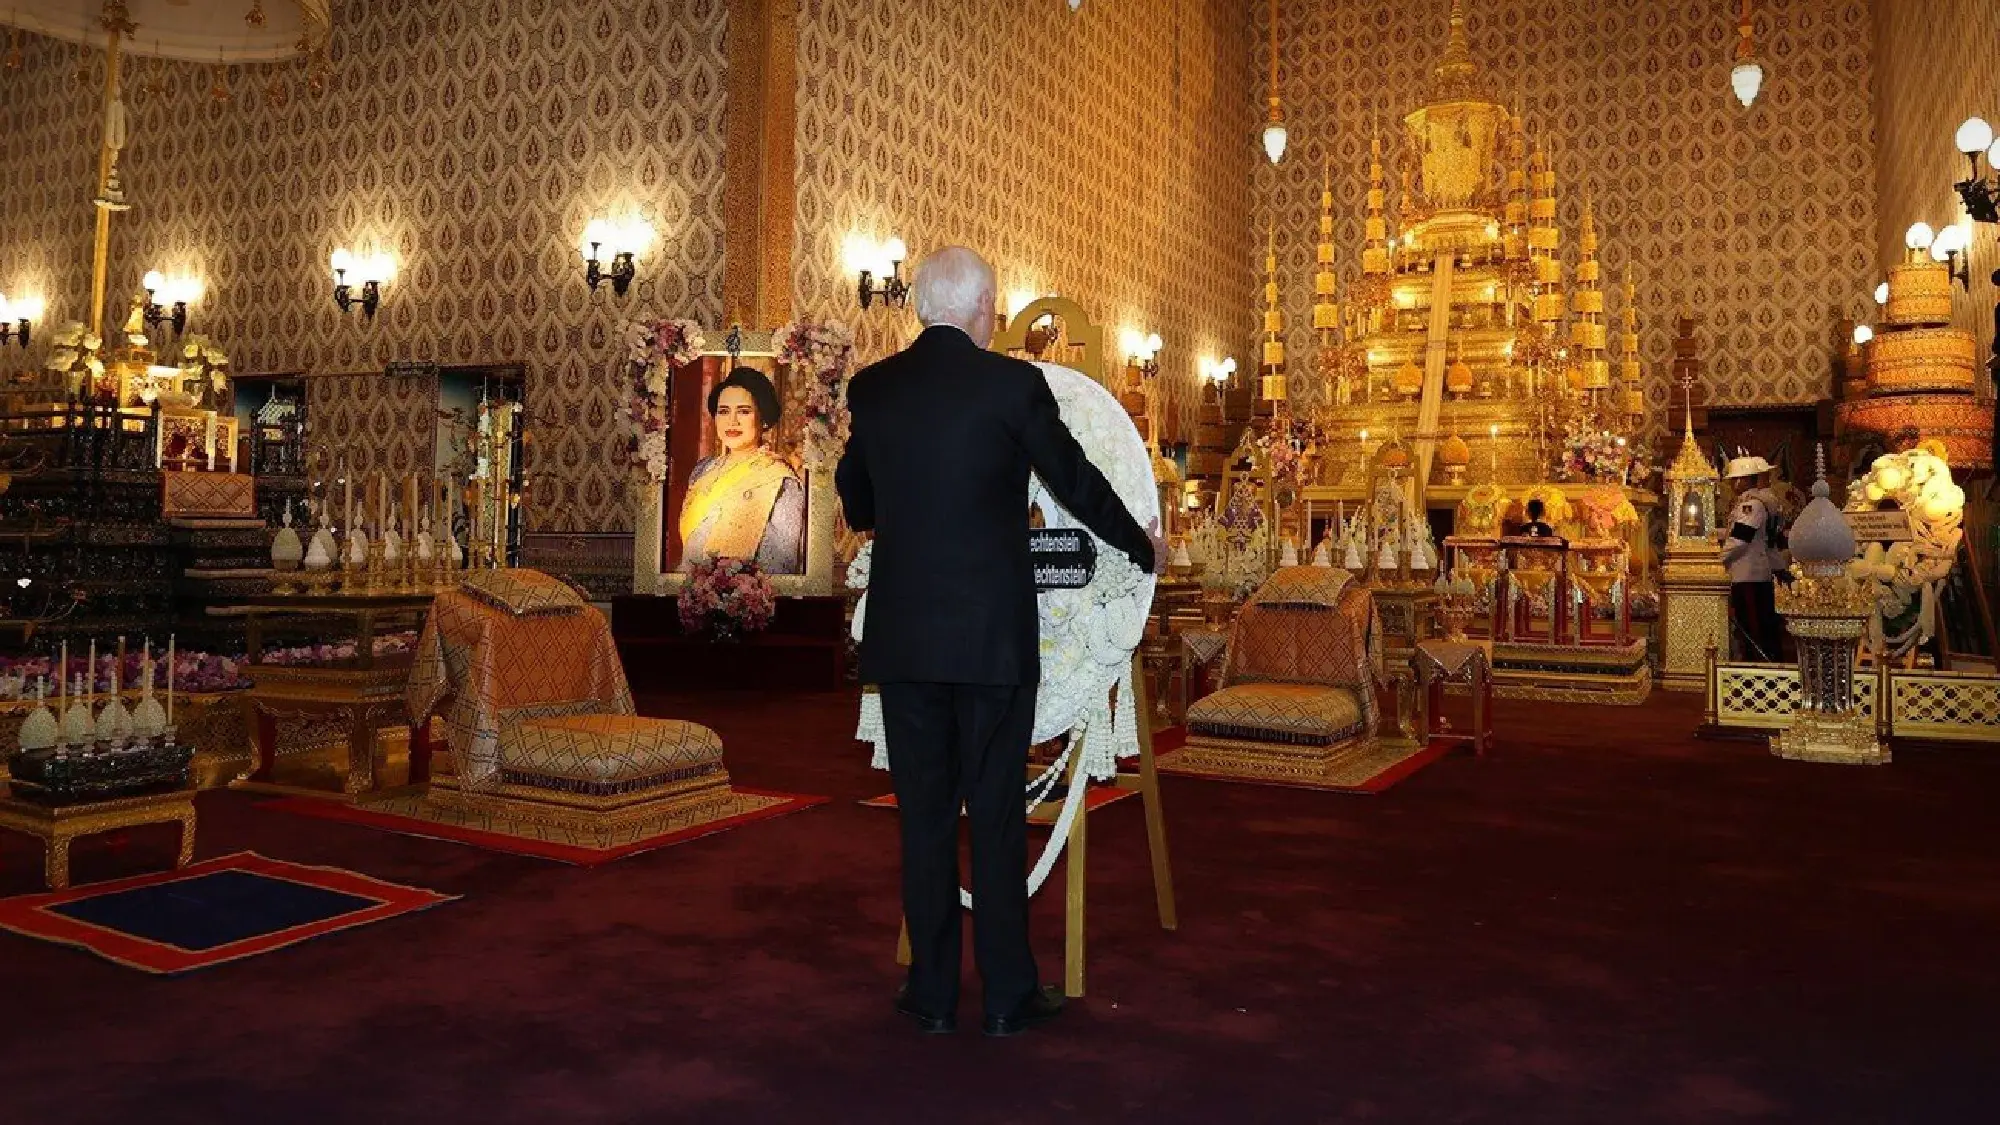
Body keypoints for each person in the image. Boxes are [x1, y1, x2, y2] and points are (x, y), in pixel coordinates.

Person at [836, 246, 1158, 1038]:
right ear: (982, 309)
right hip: (992, 643)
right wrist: (1140, 543)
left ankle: (933, 994)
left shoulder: (873, 389)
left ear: (921, 309)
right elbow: (1074, 479)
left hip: (906, 642)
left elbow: (854, 496)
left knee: (924, 816)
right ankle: (1010, 993)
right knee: (998, 815)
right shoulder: (1015, 384)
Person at [677, 368, 806, 574]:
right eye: (724, 411)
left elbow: (783, 562)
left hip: (749, 598)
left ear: (763, 419)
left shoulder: (780, 479)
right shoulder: (702, 470)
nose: (732, 421)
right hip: (691, 593)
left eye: (744, 411)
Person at [1720, 451, 1790, 661]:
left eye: (1734, 480)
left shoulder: (1751, 505)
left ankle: (1760, 667)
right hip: (1754, 572)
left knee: (1754, 627)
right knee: (1756, 624)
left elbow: (1740, 539)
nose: (1732, 485)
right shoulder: (1757, 503)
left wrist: (1717, 559)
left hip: (1747, 574)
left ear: (1742, 480)